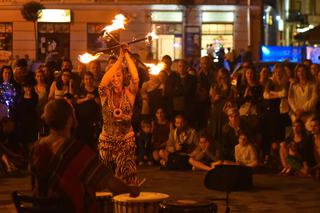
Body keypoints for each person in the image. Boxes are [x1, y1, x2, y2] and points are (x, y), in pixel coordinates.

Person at [30, 99, 139, 213]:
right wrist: (130, 189)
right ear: (69, 120)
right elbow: (106, 181)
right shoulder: (75, 150)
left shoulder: (36, 147)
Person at [98, 44, 142, 185]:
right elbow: (102, 83)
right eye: (113, 76)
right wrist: (119, 59)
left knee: (127, 179)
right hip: (107, 141)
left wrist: (127, 55)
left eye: (119, 75)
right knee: (105, 179)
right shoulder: (105, 94)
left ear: (123, 77)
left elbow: (135, 79)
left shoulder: (129, 93)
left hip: (125, 140)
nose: (115, 79)